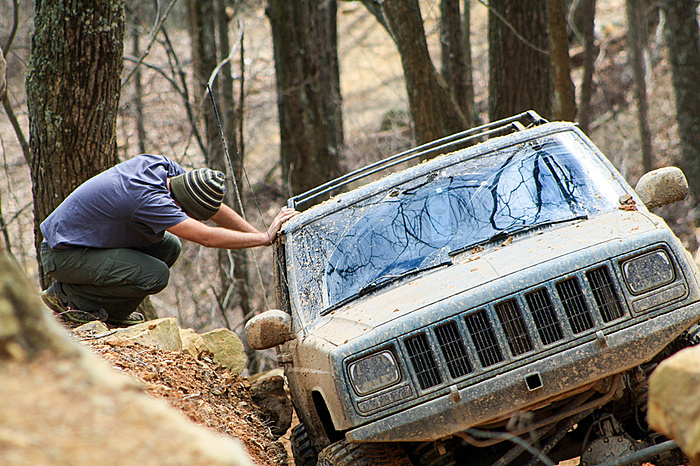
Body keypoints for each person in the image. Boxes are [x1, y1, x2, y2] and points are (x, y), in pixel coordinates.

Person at [40, 153, 298, 326]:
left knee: (168, 247)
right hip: (63, 254)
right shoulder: (149, 201)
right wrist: (264, 239)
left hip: (82, 245)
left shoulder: (163, 169)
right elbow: (205, 237)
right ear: (178, 205)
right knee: (155, 274)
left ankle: (112, 317)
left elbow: (213, 207)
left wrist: (258, 234)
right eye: (186, 214)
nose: (185, 217)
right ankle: (65, 298)